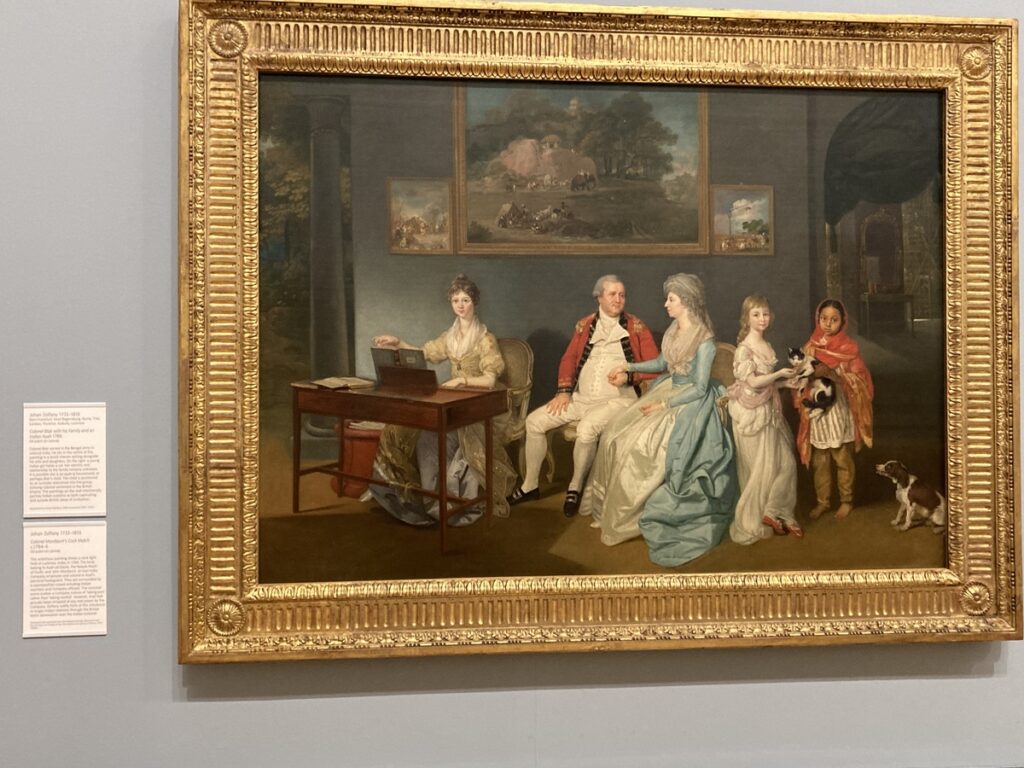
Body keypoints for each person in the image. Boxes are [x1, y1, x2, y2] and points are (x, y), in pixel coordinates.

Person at [581, 273, 737, 567]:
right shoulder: (674, 330)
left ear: (686, 301)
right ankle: (607, 511)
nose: (666, 304)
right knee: (615, 433)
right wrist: (628, 365)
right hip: (668, 389)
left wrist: (663, 404)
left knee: (639, 445)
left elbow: (699, 388)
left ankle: (625, 519)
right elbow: (663, 363)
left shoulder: (705, 341)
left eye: (671, 299)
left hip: (689, 403)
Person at [370, 274, 517, 526]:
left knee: (443, 435)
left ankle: (449, 500)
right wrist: (398, 343)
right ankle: (429, 498)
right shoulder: (451, 336)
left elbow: (490, 380)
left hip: (481, 402)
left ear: (474, 302)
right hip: (454, 398)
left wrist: (462, 381)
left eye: (465, 300)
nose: (460, 305)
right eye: (455, 300)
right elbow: (425, 353)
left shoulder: (485, 338)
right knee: (418, 432)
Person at [507, 274, 658, 517]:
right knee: (534, 422)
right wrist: (564, 392)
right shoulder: (584, 325)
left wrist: (629, 377)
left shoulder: (637, 327)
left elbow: (655, 366)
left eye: (622, 295)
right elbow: (568, 359)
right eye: (612, 294)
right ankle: (530, 486)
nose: (618, 299)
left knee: (586, 429)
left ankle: (575, 487)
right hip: (582, 399)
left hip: (619, 400)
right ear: (599, 297)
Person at [726, 295, 801, 543]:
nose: (762, 319)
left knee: (786, 465)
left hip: (768, 410)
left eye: (765, 314)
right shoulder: (744, 349)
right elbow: (753, 382)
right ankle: (759, 517)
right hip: (750, 414)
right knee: (760, 470)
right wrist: (779, 374)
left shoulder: (766, 345)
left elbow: (766, 386)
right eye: (756, 314)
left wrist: (785, 384)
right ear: (746, 318)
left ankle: (775, 511)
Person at [794, 298, 874, 520]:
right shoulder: (810, 347)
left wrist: (831, 374)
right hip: (818, 412)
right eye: (824, 318)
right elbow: (798, 376)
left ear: (843, 321)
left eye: (834, 319)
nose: (828, 324)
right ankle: (823, 501)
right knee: (820, 459)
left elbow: (860, 381)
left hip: (838, 409)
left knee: (842, 457)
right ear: (818, 319)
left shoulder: (849, 348)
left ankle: (846, 500)